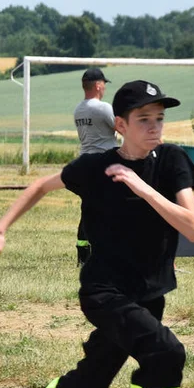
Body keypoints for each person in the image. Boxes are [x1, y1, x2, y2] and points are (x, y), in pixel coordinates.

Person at [0, 80, 194, 388]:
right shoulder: (95, 168)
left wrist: (141, 187)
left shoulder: (172, 161)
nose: (154, 127)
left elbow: (193, 228)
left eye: (160, 118)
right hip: (104, 291)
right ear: (120, 124)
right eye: (143, 120)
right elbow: (41, 186)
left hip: (149, 294)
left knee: (90, 385)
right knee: (166, 352)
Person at [73, 68, 119, 264]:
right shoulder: (103, 108)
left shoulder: (78, 110)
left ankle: (83, 254)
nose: (105, 88)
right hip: (104, 162)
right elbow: (122, 127)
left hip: (85, 163)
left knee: (88, 209)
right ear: (98, 85)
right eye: (104, 85)